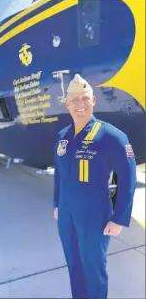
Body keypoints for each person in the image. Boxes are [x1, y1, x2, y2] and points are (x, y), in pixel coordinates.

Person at [53, 74, 137, 299]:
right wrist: (56, 204)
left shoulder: (111, 136)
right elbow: (59, 173)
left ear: (93, 101)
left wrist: (119, 217)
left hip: (95, 214)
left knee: (93, 269)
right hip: (66, 215)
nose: (80, 104)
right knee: (74, 265)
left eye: (85, 98)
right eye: (74, 100)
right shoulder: (63, 137)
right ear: (67, 104)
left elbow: (128, 177)